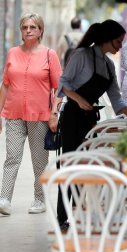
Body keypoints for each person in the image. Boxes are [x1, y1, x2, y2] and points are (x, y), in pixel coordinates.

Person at [56, 19, 127, 228]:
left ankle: (80, 212)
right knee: (70, 165)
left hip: (90, 119)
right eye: (118, 41)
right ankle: (63, 216)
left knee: (86, 165)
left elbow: (117, 100)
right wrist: (80, 100)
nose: (120, 46)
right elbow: (63, 84)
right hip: (72, 117)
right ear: (106, 39)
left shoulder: (109, 65)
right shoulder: (81, 55)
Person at [0, 13, 62, 215]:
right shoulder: (12, 53)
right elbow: (5, 86)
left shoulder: (49, 54)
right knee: (12, 157)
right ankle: (5, 199)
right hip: (14, 113)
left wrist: (54, 114)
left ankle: (39, 199)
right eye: (25, 27)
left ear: (40, 30)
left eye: (33, 27)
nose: (28, 30)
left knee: (39, 161)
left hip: (39, 116)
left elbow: (59, 88)